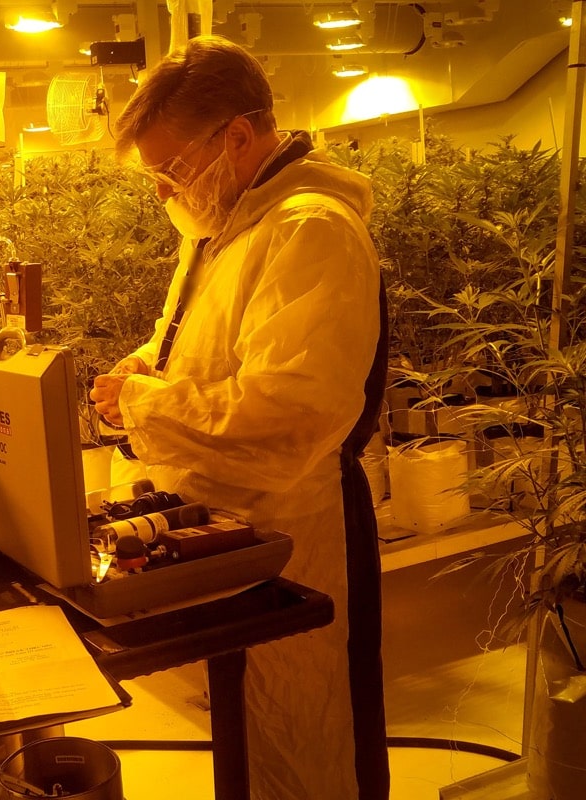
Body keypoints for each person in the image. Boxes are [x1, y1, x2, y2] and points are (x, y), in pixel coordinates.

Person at [89, 36, 390, 800]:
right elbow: (191, 349)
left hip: (294, 529)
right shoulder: (222, 231)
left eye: (171, 169)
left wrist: (143, 403)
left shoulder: (310, 229)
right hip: (232, 526)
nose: (164, 193)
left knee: (301, 740)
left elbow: (290, 410)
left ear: (237, 137)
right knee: (248, 735)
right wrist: (143, 368)